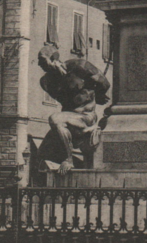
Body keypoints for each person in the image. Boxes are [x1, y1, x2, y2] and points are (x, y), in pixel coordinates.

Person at [37, 46, 110, 175]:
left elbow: (104, 83)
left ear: (54, 59)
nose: (39, 64)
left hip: (86, 116)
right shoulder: (46, 82)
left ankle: (69, 159)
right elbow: (64, 101)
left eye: (43, 61)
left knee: (54, 119)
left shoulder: (79, 65)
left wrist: (98, 94)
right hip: (69, 118)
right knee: (42, 153)